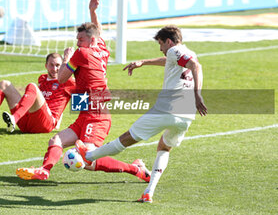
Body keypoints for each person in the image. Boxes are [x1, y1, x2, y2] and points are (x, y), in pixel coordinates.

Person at [16, 0, 151, 182]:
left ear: (89, 41)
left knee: (88, 160)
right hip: (86, 112)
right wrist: (92, 11)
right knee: (55, 140)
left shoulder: (81, 53)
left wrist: (66, 59)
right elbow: (98, 32)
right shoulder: (102, 48)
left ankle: (135, 169)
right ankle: (44, 171)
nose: (77, 43)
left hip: (96, 116)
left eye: (80, 40)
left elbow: (61, 79)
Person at [76, 25, 207, 203]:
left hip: (168, 108)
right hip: (186, 114)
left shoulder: (174, 50)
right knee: (164, 147)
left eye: (161, 43)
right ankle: (148, 192)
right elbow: (171, 60)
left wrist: (198, 94)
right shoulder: (183, 52)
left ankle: (89, 156)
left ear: (169, 41)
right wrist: (143, 62)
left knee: (127, 138)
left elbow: (195, 66)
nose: (160, 47)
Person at [0, 53, 75, 133]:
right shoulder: (42, 79)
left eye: (58, 66)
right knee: (4, 84)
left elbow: (84, 93)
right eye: (51, 65)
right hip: (26, 124)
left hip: (45, 124)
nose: (54, 69)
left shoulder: (68, 81)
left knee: (32, 86)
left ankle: (14, 119)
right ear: (46, 66)